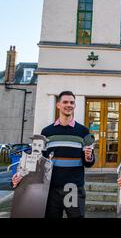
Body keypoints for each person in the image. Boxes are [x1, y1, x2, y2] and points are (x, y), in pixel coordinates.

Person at [12, 90, 95, 218]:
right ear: (58, 105)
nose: (69, 105)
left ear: (75, 106)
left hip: (72, 188)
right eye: (65, 102)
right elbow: (38, 161)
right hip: (50, 188)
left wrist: (89, 157)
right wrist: (21, 175)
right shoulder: (47, 132)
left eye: (72, 102)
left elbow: (88, 162)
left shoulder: (83, 131)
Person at [11, 135, 53, 218]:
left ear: (43, 147)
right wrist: (15, 180)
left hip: (37, 198)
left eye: (39, 145)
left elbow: (47, 182)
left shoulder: (47, 163)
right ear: (32, 145)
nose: (36, 147)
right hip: (23, 196)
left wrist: (47, 170)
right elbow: (16, 180)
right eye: (34, 144)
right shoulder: (23, 159)